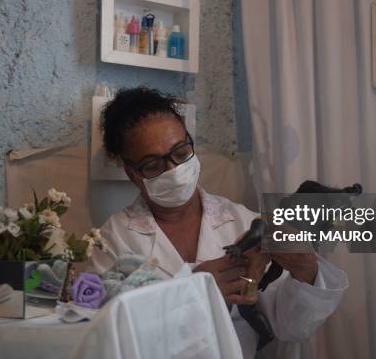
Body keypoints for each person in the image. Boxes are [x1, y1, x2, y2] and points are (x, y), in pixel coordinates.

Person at [89, 86, 348, 358]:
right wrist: (191, 291)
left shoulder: (241, 221)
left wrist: (305, 271)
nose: (174, 171)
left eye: (180, 152)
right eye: (153, 165)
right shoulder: (113, 240)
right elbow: (107, 335)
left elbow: (290, 327)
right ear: (132, 174)